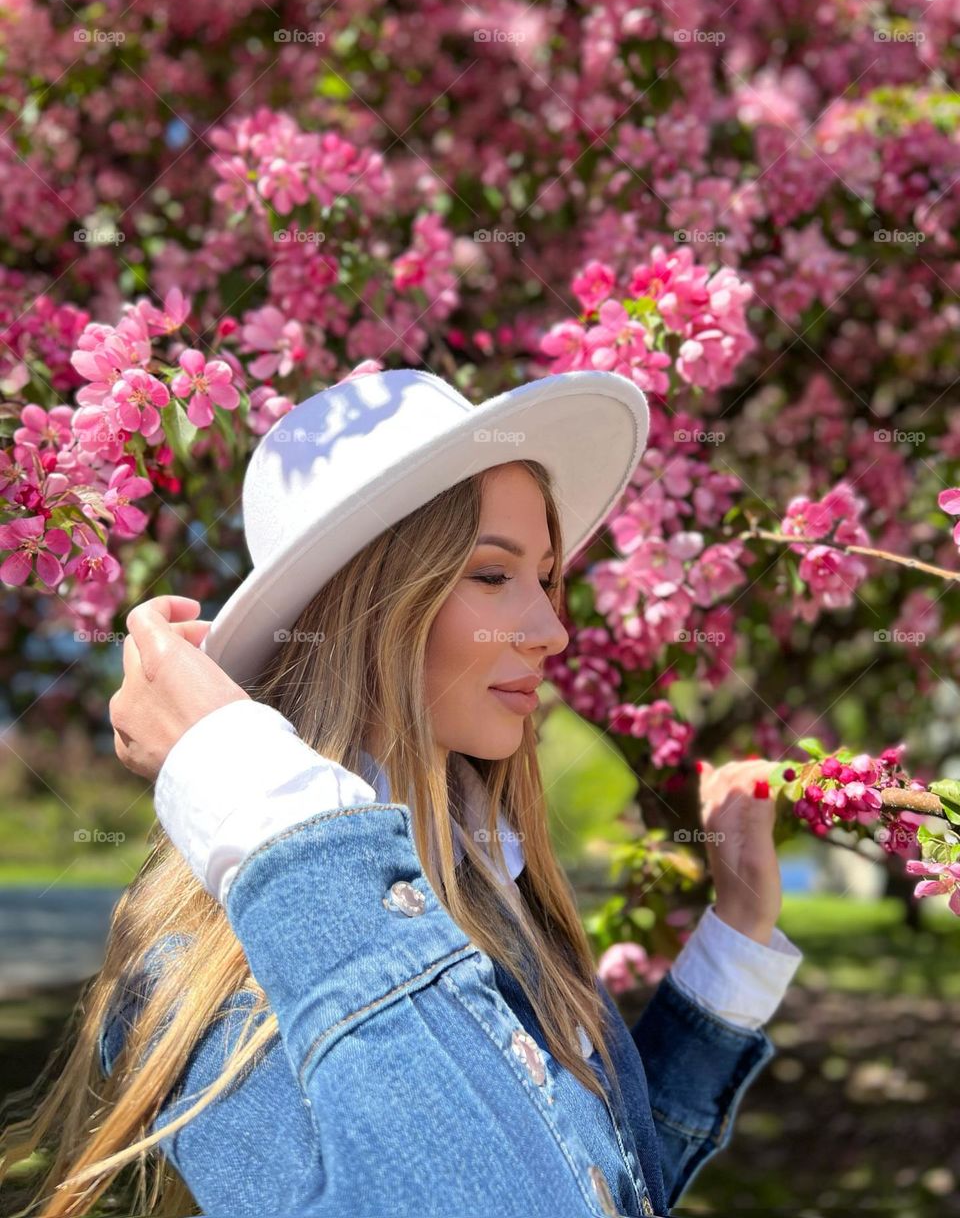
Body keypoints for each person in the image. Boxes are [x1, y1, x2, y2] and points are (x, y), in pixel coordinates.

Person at [2, 367, 801, 1218]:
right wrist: (245, 786)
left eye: (546, 578)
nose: (553, 630)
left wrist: (736, 940)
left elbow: (595, 1184)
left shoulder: (493, 884)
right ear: (364, 609)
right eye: (492, 577)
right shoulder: (216, 985)